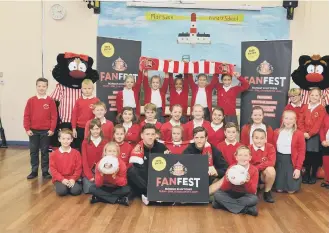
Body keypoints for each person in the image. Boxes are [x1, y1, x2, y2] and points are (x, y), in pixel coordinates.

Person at [23, 77, 57, 179]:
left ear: (47, 87)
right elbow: (26, 115)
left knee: (45, 151)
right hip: (33, 131)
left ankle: (45, 171)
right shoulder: (31, 101)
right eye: (39, 86)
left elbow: (54, 116)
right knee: (33, 151)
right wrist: (27, 128)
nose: (41, 88)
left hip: (46, 131)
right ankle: (34, 171)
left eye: (44, 86)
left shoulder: (50, 101)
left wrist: (51, 129)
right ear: (36, 86)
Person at [127, 124, 168, 205]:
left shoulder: (162, 147)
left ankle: (150, 195)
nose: (150, 137)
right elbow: (138, 172)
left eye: (152, 134)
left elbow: (169, 166)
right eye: (147, 134)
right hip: (144, 180)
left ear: (156, 135)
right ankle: (150, 193)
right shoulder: (138, 149)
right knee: (131, 171)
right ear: (142, 136)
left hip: (158, 178)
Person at [212, 146, 259, 216]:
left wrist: (248, 182)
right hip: (231, 193)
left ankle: (222, 205)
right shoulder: (231, 168)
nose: (242, 158)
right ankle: (247, 209)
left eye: (245, 155)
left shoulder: (254, 170)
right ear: (236, 157)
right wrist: (227, 180)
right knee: (217, 194)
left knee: (254, 199)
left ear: (250, 158)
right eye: (240, 155)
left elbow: (253, 191)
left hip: (245, 195)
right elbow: (224, 188)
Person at [183, 126, 228, 195]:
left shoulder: (214, 150)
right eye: (196, 138)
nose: (199, 140)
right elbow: (183, 168)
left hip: (209, 181)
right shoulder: (188, 150)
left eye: (202, 137)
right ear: (193, 139)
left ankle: (204, 194)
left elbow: (225, 169)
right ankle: (202, 194)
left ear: (206, 138)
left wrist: (216, 172)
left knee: (225, 178)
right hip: (192, 181)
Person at [273, 110, 305, 193]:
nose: (288, 121)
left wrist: (298, 168)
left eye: (291, 119)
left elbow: (302, 152)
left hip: (291, 161)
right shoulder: (276, 132)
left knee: (291, 190)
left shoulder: (299, 134)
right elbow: (272, 149)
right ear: (283, 119)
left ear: (295, 121)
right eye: (286, 118)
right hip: (279, 161)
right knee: (279, 189)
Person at [298, 88, 325, 184]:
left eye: (316, 95)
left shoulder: (321, 108)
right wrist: (303, 132)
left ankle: (313, 174)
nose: (314, 97)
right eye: (312, 95)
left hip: (314, 135)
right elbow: (300, 120)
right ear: (309, 95)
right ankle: (306, 174)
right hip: (304, 134)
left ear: (320, 97)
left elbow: (319, 124)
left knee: (314, 156)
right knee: (305, 155)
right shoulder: (305, 107)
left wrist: (310, 134)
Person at [49, 129, 82, 196]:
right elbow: (53, 169)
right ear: (59, 139)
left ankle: (71, 186)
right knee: (62, 192)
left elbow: (78, 168)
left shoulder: (76, 153)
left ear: (72, 139)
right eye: (63, 139)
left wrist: (73, 179)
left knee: (76, 191)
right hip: (60, 178)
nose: (65, 141)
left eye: (68, 139)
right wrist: (62, 179)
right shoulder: (54, 154)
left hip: (72, 178)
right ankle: (62, 186)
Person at [71, 79, 100, 151]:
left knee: (90, 147)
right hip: (80, 128)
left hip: (92, 128)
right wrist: (74, 129)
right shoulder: (78, 101)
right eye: (85, 88)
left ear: (93, 89)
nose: (87, 90)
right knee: (80, 147)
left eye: (89, 88)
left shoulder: (96, 101)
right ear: (81, 89)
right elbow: (74, 115)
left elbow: (99, 115)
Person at [249, 129, 276, 203]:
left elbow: (271, 162)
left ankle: (267, 192)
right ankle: (254, 188)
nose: (259, 141)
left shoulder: (270, 147)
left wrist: (257, 167)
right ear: (252, 138)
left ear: (265, 139)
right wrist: (254, 170)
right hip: (253, 173)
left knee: (271, 170)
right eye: (256, 138)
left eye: (262, 138)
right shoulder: (248, 148)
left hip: (262, 173)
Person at [81, 119, 108, 194]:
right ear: (90, 130)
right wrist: (90, 176)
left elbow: (106, 159)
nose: (95, 131)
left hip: (101, 171)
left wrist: (101, 173)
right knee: (88, 189)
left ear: (100, 129)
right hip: (89, 171)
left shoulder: (105, 141)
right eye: (92, 129)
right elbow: (84, 160)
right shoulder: (85, 142)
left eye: (97, 129)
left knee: (103, 186)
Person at [320, 104, 329, 189]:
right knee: (326, 162)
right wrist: (322, 140)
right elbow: (322, 128)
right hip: (326, 143)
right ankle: (327, 180)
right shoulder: (325, 114)